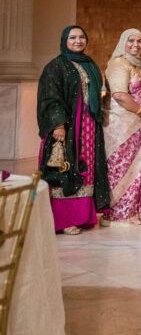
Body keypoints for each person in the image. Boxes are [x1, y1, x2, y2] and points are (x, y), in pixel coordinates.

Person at [37, 26, 110, 234]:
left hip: (88, 127)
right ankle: (65, 219)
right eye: (72, 37)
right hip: (67, 127)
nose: (78, 41)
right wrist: (58, 124)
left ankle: (82, 216)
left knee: (85, 169)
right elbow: (50, 96)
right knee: (66, 168)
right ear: (64, 40)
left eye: (81, 37)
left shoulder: (89, 65)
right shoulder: (56, 66)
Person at [101, 29, 141, 226]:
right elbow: (119, 94)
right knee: (123, 168)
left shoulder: (135, 66)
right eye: (131, 41)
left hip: (139, 127)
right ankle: (121, 214)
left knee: (140, 168)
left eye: (139, 41)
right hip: (122, 127)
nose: (135, 44)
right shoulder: (119, 63)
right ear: (122, 43)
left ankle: (140, 212)